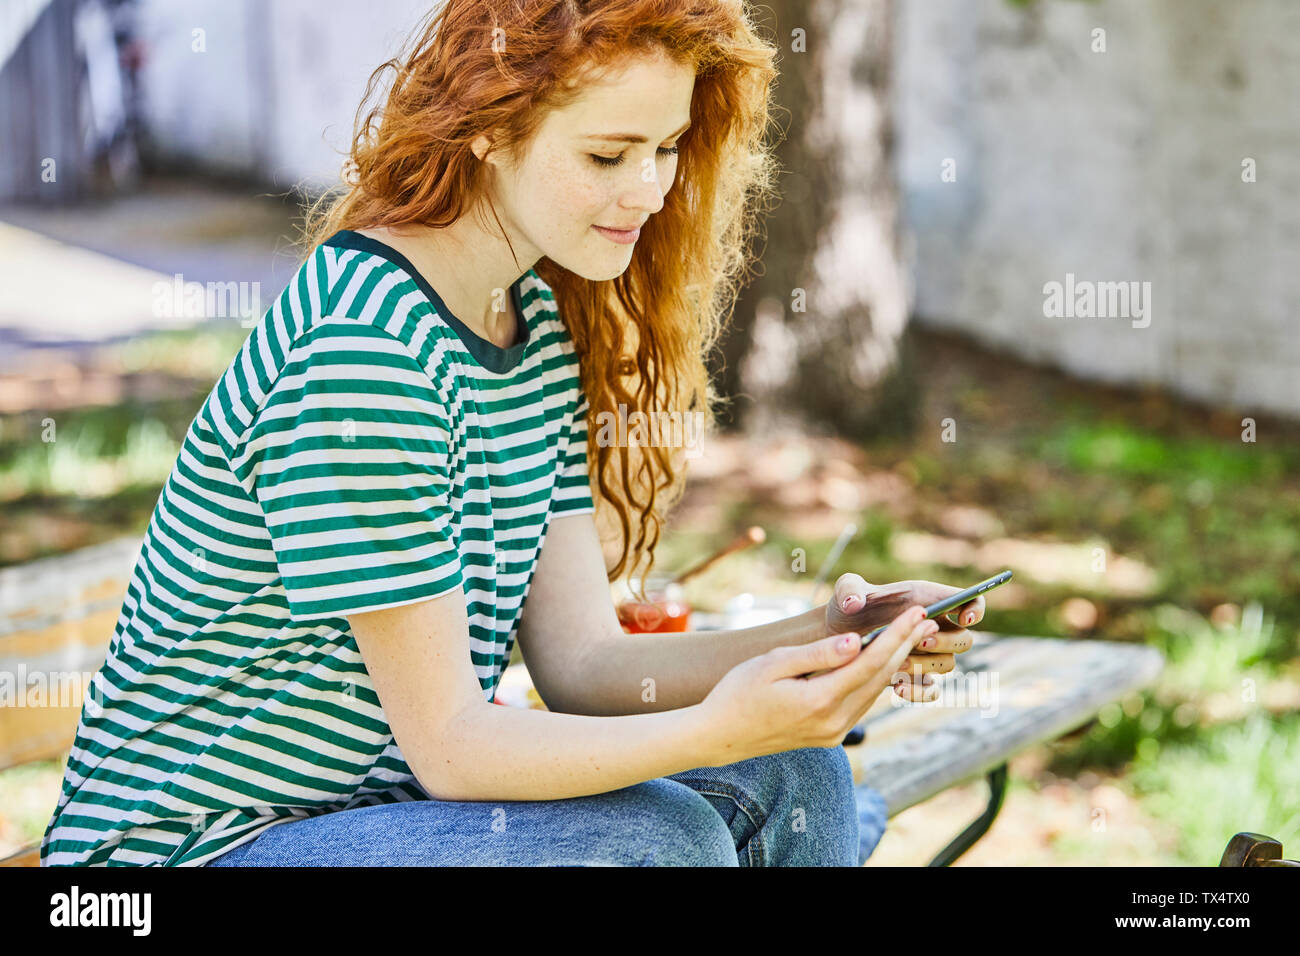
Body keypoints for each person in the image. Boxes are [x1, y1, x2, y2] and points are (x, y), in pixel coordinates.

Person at [41, 0, 984, 867]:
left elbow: (583, 665)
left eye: (666, 148)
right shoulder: (368, 349)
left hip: (372, 819)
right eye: (608, 156)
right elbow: (454, 747)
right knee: (657, 843)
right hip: (186, 856)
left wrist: (827, 639)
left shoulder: (526, 323)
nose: (650, 190)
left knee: (797, 778)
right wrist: (719, 730)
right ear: (490, 125)